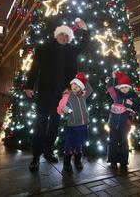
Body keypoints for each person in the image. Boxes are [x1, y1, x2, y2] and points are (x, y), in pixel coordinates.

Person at [24, 18, 89, 171]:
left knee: (54, 125)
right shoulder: (44, 48)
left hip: (61, 96)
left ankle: (48, 151)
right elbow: (34, 68)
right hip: (45, 94)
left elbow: (84, 44)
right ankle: (35, 157)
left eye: (66, 36)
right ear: (56, 35)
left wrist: (85, 31)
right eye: (61, 34)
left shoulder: (71, 50)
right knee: (40, 124)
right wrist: (29, 86)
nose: (63, 37)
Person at [57, 72, 92, 172]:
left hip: (83, 125)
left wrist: (85, 80)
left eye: (77, 86)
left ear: (81, 88)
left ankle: (77, 161)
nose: (75, 87)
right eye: (73, 85)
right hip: (72, 126)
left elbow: (89, 89)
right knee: (69, 144)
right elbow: (62, 107)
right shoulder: (68, 96)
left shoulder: (83, 96)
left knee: (79, 144)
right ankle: (67, 162)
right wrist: (66, 109)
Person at [106, 71, 140, 170]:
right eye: (122, 87)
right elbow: (109, 88)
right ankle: (112, 161)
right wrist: (112, 78)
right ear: (119, 88)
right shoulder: (116, 95)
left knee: (123, 142)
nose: (124, 89)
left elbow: (138, 107)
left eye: (126, 87)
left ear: (129, 87)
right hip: (113, 124)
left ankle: (123, 161)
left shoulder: (133, 96)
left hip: (125, 124)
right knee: (113, 142)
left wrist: (132, 105)